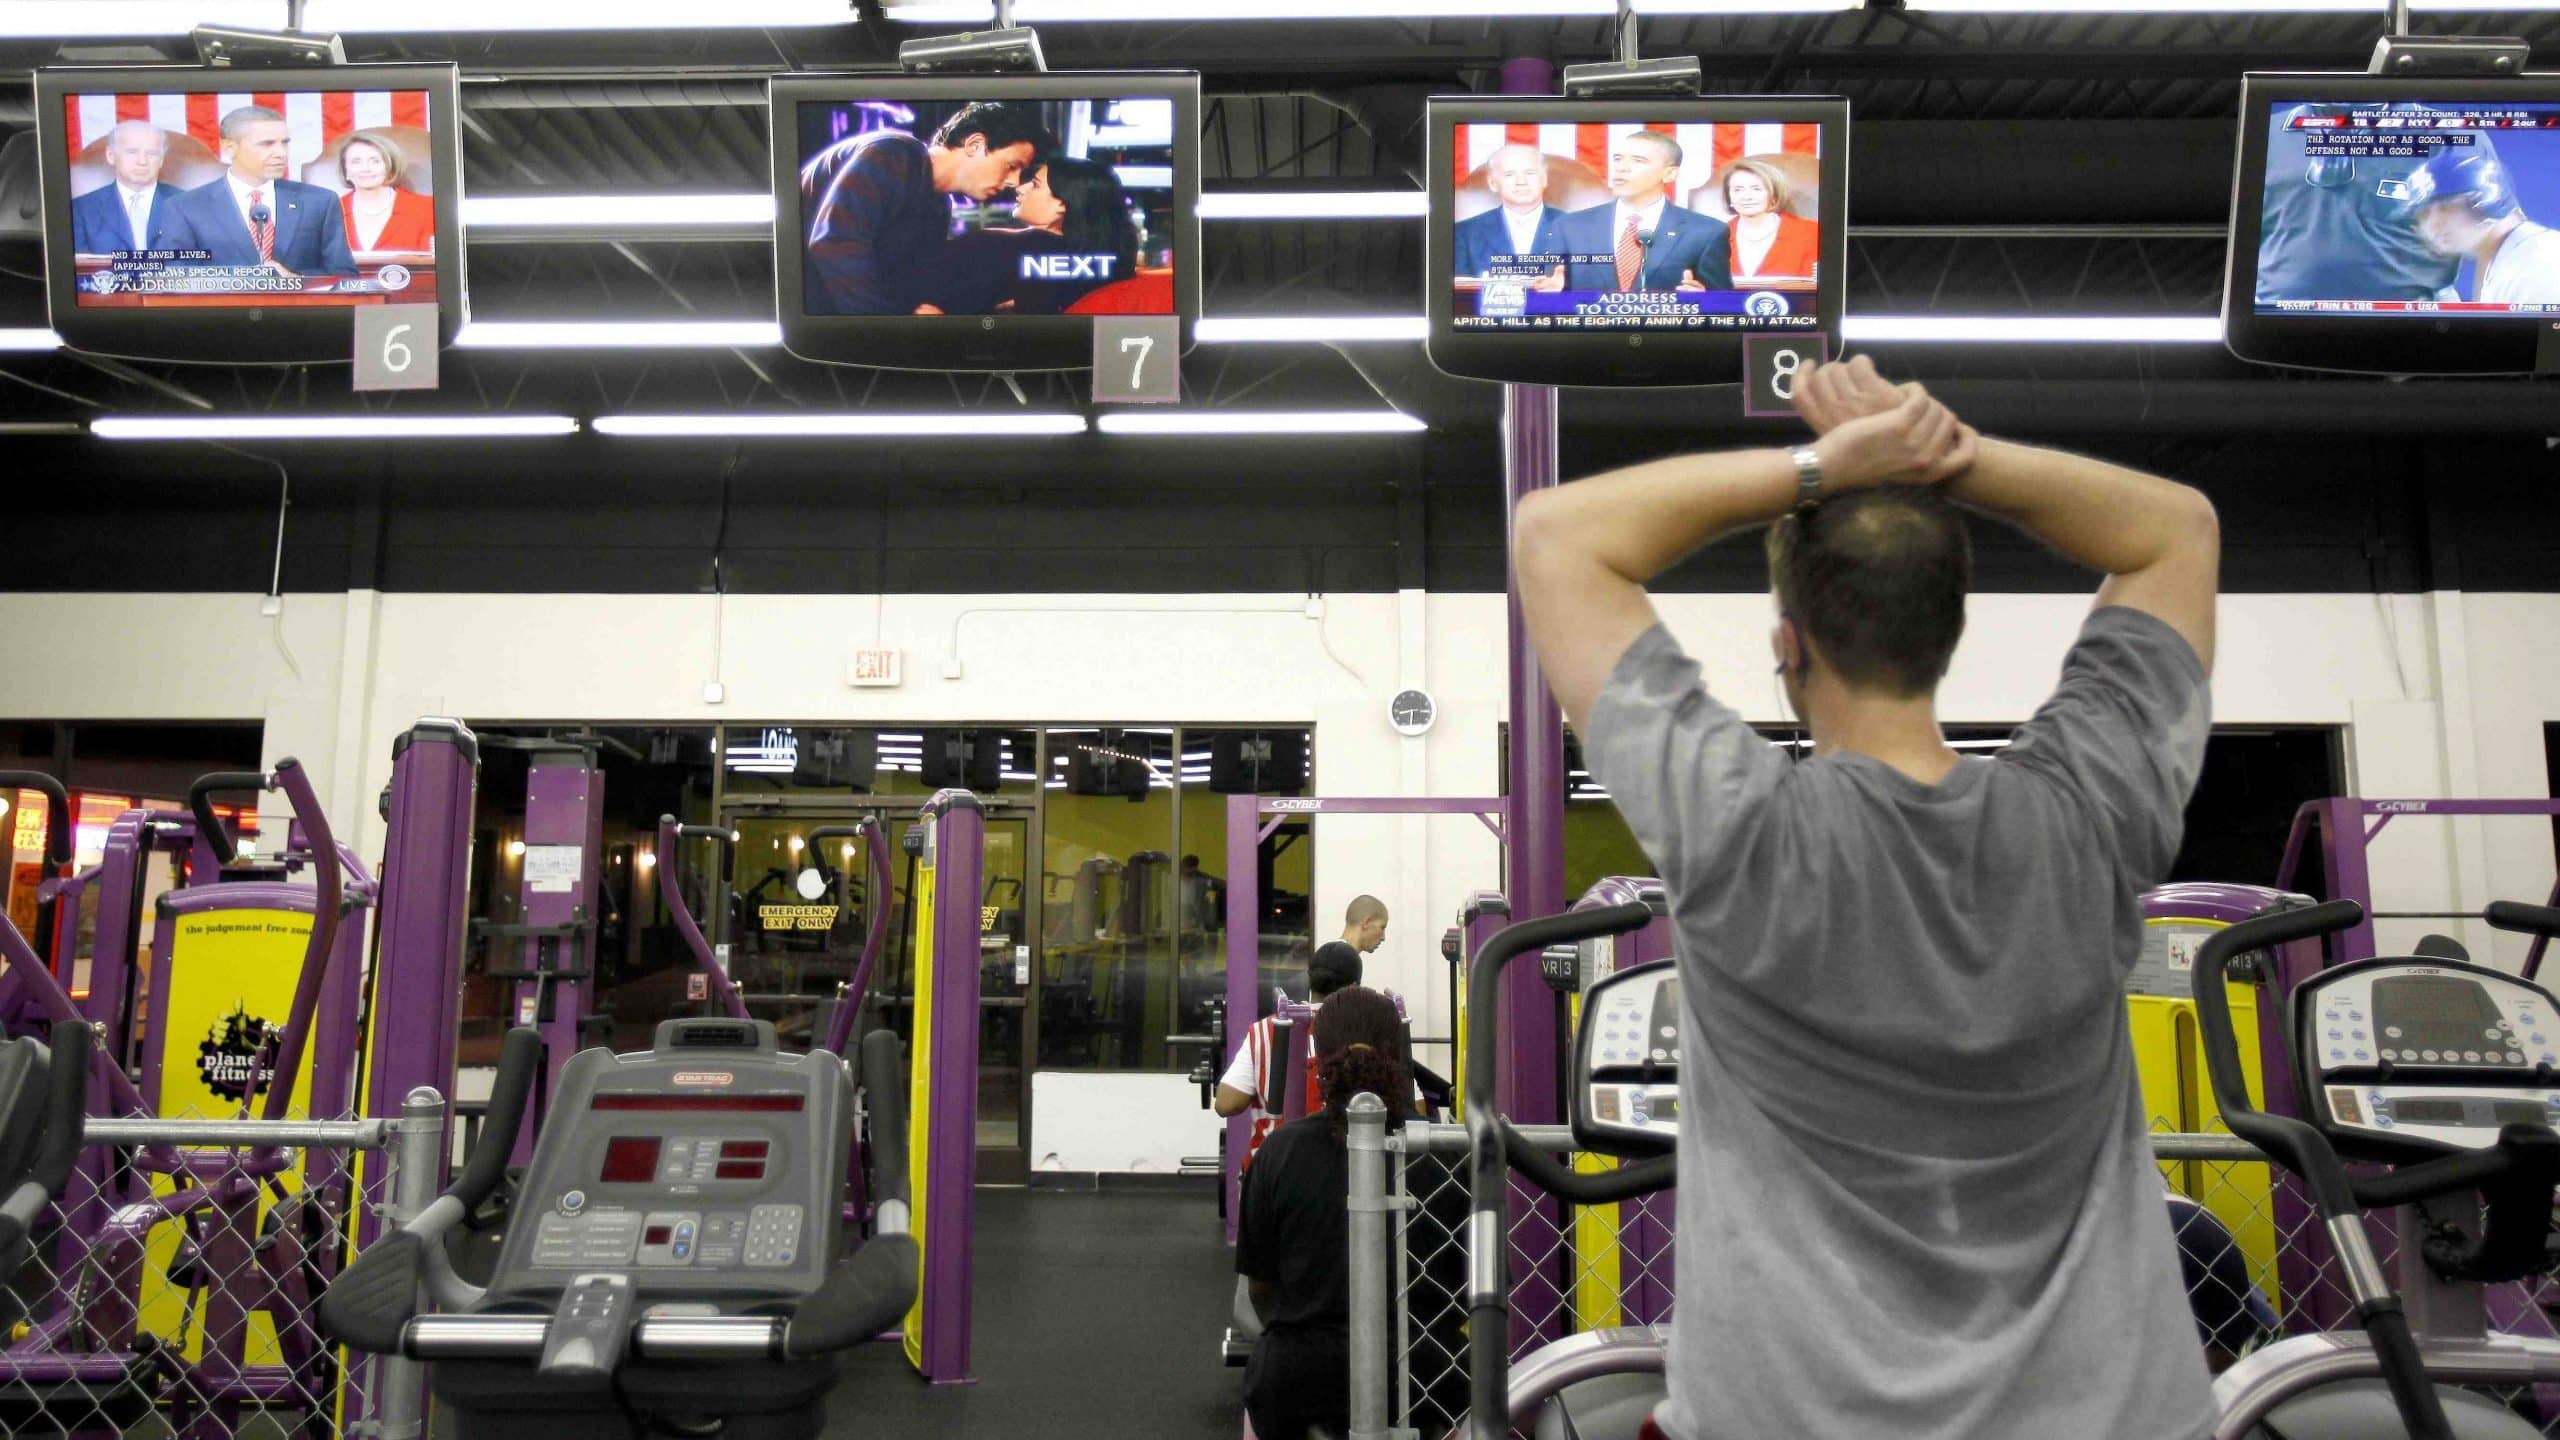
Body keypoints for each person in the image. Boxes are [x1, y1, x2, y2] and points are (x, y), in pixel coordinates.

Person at [1512, 353, 2222, 1440]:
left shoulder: (1737, 828)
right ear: (1949, 628)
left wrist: (1821, 464)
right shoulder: (2092, 811)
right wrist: (1950, 455)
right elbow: (2176, 527)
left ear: (1786, 649)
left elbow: (1558, 534)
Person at [1234, 985, 1410, 1440]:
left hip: (1300, 1377)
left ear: (1317, 1055)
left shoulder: (1278, 1154)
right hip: (1416, 1374)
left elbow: (1260, 1290)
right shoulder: (1446, 1157)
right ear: (1397, 1053)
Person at [802, 101, 1053, 317]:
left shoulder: (938, 206)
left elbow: (905, 282)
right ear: (975, 145)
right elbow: (834, 243)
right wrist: (894, 327)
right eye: (1011, 166)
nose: (1014, 181)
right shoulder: (893, 153)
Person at [1213, 896, 1390, 1152]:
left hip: (1275, 1162)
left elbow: (1226, 1104)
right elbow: (1409, 1107)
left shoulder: (1265, 1031)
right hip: (1344, 1165)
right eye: (1382, 926)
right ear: (1354, 988)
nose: (1383, 935)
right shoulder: (1368, 1029)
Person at [2256, 102, 2455, 307]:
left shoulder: (2447, 132)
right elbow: (2241, 237)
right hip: (2280, 315)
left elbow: (2483, 234)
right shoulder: (2265, 133)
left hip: (2409, 316)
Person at [912, 156, 1137, 316]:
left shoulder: (1033, 249)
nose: (1021, 188)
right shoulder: (1072, 260)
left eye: (1036, 185)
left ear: (1062, 204)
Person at [161, 105, 357, 280]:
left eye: (284, 143)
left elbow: (344, 274)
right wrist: (246, 277)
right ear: (230, 147)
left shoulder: (319, 202)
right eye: (267, 144)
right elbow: (176, 274)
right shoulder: (184, 207)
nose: (281, 153)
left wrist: (296, 278)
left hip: (300, 317)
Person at [1548, 131, 1731, 294]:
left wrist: (1704, 301)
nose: (1621, 167)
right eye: (1618, 159)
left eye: (1638, 161)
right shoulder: (1569, 227)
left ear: (1670, 174)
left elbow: (1726, 308)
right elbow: (1548, 297)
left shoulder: (1706, 232)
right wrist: (1548, 295)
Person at [2398, 139, 2560, 307]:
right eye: (2424, 213)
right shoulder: (2510, 257)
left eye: (2446, 207)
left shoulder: (2536, 266)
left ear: (2486, 201)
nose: (2433, 225)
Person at [1452, 143, 1569, 279]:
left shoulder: (1575, 228)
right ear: (1493, 184)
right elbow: (1457, 294)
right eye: (1509, 174)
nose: (1521, 181)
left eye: (1529, 173)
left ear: (1544, 179)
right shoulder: (1464, 233)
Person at [69, 119, 182, 256]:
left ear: (161, 160)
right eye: (132, 152)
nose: (142, 162)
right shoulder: (80, 209)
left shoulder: (187, 204)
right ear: (111, 156)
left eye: (152, 154)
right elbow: (78, 271)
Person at [1718, 157, 1820, 288]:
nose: (1746, 196)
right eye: (1738, 190)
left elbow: (1818, 289)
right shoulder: (1715, 236)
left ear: (1773, 195)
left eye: (1756, 189)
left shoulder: (1810, 232)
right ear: (1729, 197)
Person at [335, 132, 433, 254]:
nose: (366, 169)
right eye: (356, 161)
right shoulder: (329, 212)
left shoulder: (426, 208)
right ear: (346, 170)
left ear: (390, 168)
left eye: (375, 161)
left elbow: (430, 268)